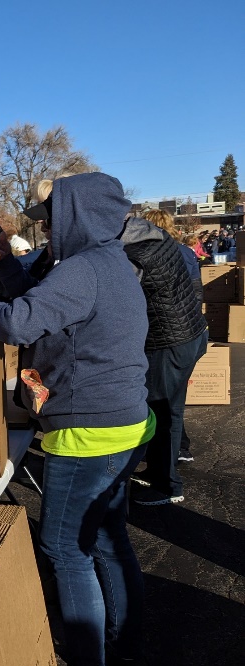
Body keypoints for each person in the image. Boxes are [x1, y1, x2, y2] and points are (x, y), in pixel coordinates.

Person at [0, 173, 154, 666]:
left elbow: (20, 321)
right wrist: (7, 264)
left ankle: (86, 660)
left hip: (88, 430)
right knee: (107, 536)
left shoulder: (82, 270)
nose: (47, 229)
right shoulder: (108, 264)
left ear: (77, 215)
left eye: (52, 218)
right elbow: (49, 306)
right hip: (124, 421)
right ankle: (129, 642)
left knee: (65, 549)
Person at [122, 210, 207, 492]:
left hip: (168, 340)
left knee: (161, 410)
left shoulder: (135, 253)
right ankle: (172, 461)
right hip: (187, 333)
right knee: (170, 408)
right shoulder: (167, 244)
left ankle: (165, 484)